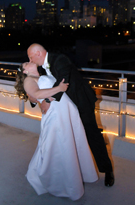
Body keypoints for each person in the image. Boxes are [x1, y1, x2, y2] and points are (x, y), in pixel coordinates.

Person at [27, 43, 115, 187]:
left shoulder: (59, 59)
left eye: (31, 57)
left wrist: (48, 100)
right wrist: (33, 99)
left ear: (38, 53)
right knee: (72, 138)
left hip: (81, 102)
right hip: (66, 107)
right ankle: (77, 172)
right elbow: (41, 87)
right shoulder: (41, 68)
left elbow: (63, 82)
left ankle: (107, 170)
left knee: (92, 134)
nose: (31, 61)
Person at [15, 62, 99, 201]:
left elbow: (37, 95)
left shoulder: (41, 75)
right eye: (26, 63)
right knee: (58, 146)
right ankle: (58, 181)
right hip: (54, 115)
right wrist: (57, 89)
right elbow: (35, 93)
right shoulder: (29, 79)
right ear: (24, 71)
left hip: (65, 111)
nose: (29, 61)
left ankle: (75, 175)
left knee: (70, 143)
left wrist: (47, 97)